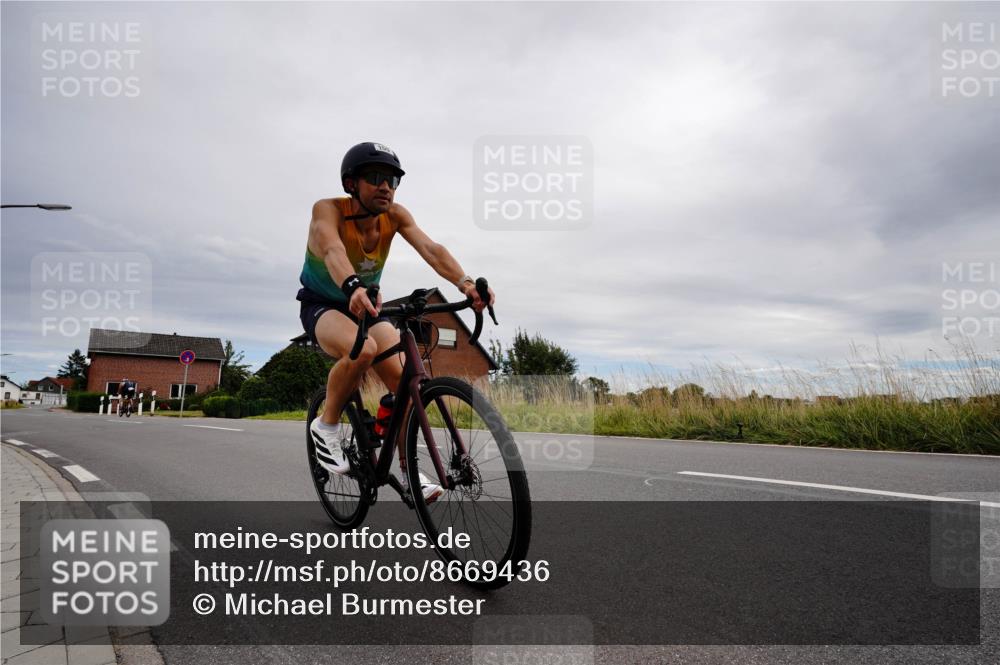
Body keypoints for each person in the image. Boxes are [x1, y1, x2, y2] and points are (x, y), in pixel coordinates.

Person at [299, 142, 493, 504]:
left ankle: (409, 472)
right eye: (375, 178)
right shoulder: (328, 210)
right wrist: (351, 284)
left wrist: (465, 283)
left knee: (406, 380)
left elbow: (432, 250)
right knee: (363, 349)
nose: (385, 186)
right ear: (351, 184)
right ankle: (325, 425)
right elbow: (331, 250)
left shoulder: (396, 216)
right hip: (323, 304)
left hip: (367, 307)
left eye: (391, 180)